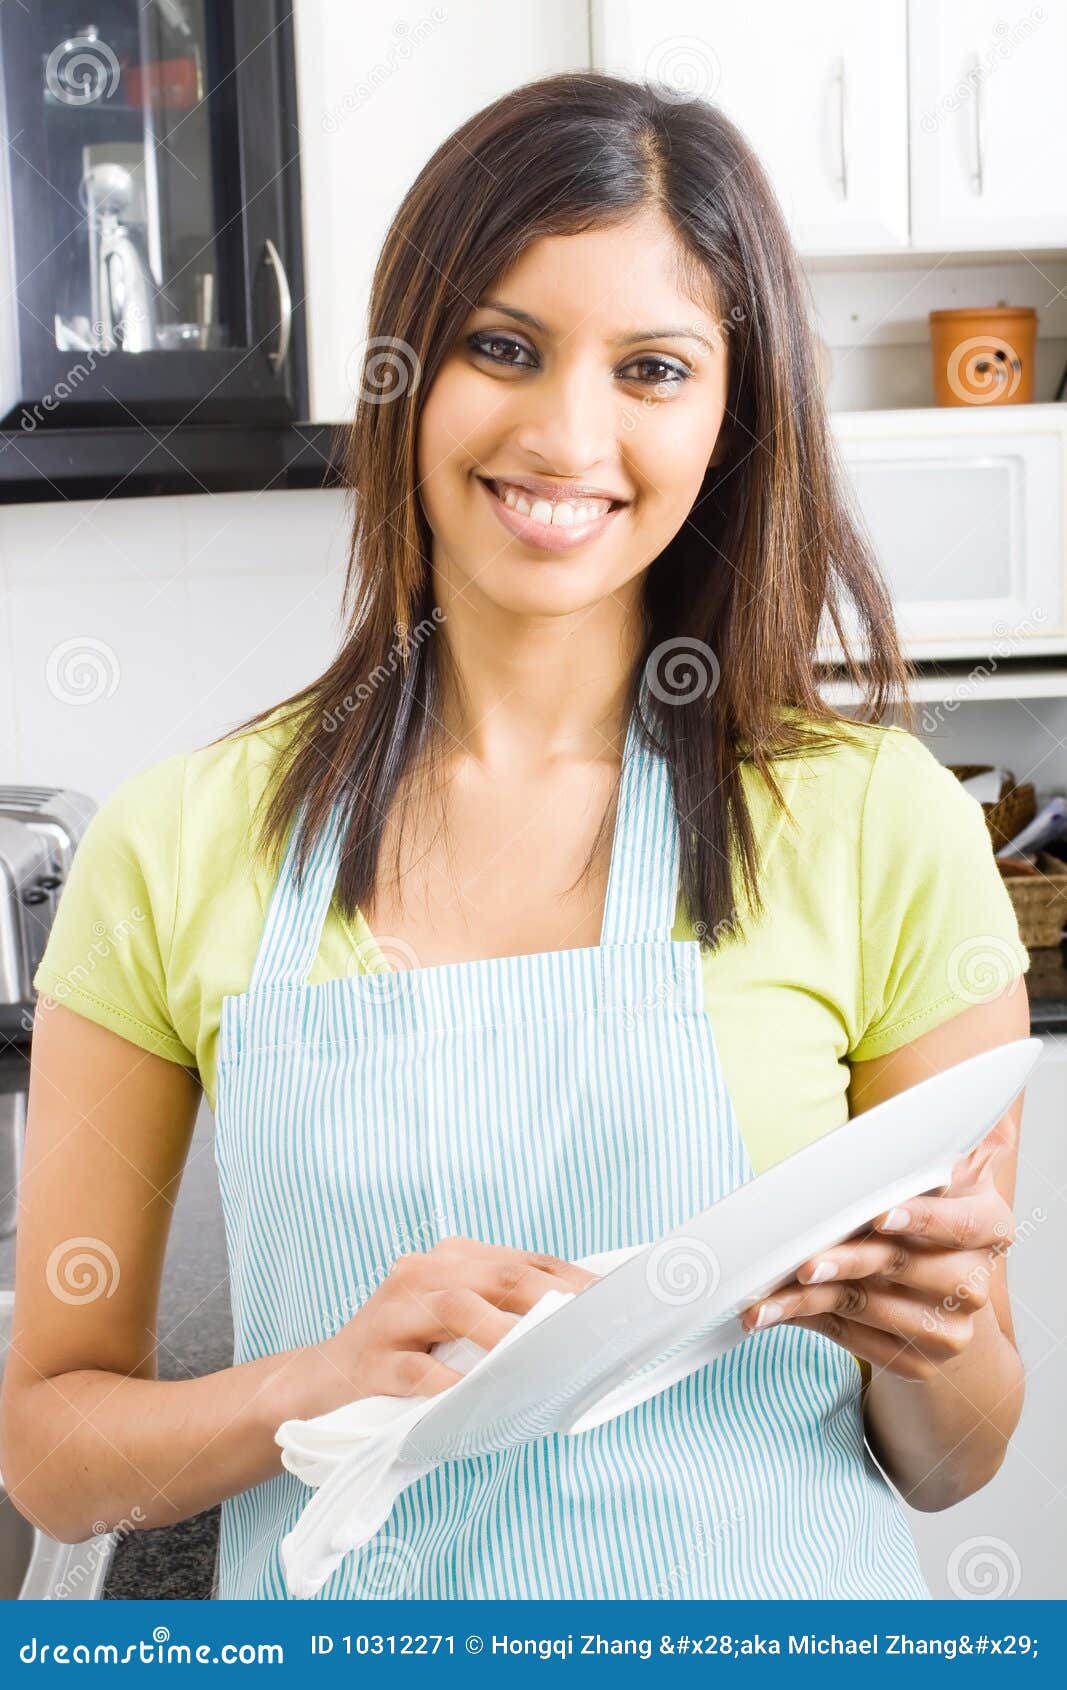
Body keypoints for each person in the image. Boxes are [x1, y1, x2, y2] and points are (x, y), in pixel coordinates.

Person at [1, 72, 1031, 1600]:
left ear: (733, 413)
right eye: (503, 346)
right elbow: (50, 1444)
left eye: (655, 368)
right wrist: (315, 1381)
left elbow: (959, 1458)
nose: (566, 434)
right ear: (404, 370)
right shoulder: (179, 840)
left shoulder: (880, 826)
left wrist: (929, 1350)